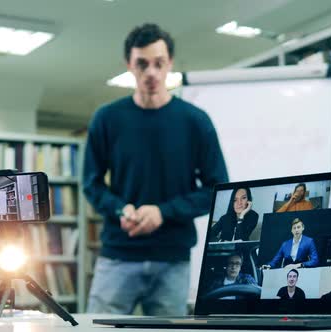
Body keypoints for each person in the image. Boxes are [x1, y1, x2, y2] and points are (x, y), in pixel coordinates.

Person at [83, 23, 228, 315]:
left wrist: (163, 212)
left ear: (169, 63)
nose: (151, 72)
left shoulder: (195, 121)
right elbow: (92, 184)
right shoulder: (107, 118)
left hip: (172, 259)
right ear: (129, 65)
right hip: (118, 255)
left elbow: (217, 189)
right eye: (142, 64)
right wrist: (121, 209)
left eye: (159, 63)